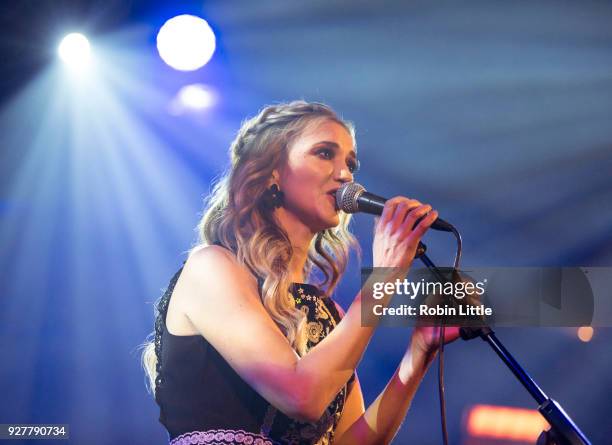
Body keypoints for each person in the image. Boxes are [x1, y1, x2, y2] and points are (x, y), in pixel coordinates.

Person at [141, 100, 459, 444]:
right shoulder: (212, 268)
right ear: (271, 171)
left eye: (350, 163)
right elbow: (300, 396)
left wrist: (418, 355)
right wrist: (383, 279)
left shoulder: (330, 316)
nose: (346, 175)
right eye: (324, 153)